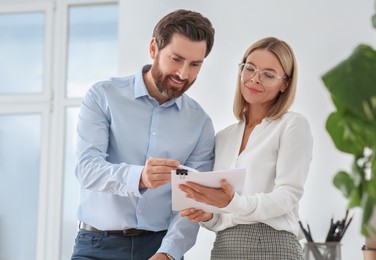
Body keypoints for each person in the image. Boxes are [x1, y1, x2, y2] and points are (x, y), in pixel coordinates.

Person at [71, 9, 215, 260]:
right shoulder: (103, 97)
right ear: (153, 48)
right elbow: (87, 169)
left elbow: (191, 200)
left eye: (195, 65)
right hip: (96, 246)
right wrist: (139, 177)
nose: (183, 74)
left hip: (159, 248)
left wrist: (169, 253)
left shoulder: (200, 122)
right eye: (176, 59)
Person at [179, 37, 313, 259]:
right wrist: (207, 215)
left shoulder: (292, 125)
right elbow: (223, 216)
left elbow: (289, 194)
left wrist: (233, 202)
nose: (254, 79)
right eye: (249, 68)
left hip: (273, 247)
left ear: (285, 84)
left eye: (268, 74)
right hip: (225, 248)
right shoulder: (224, 137)